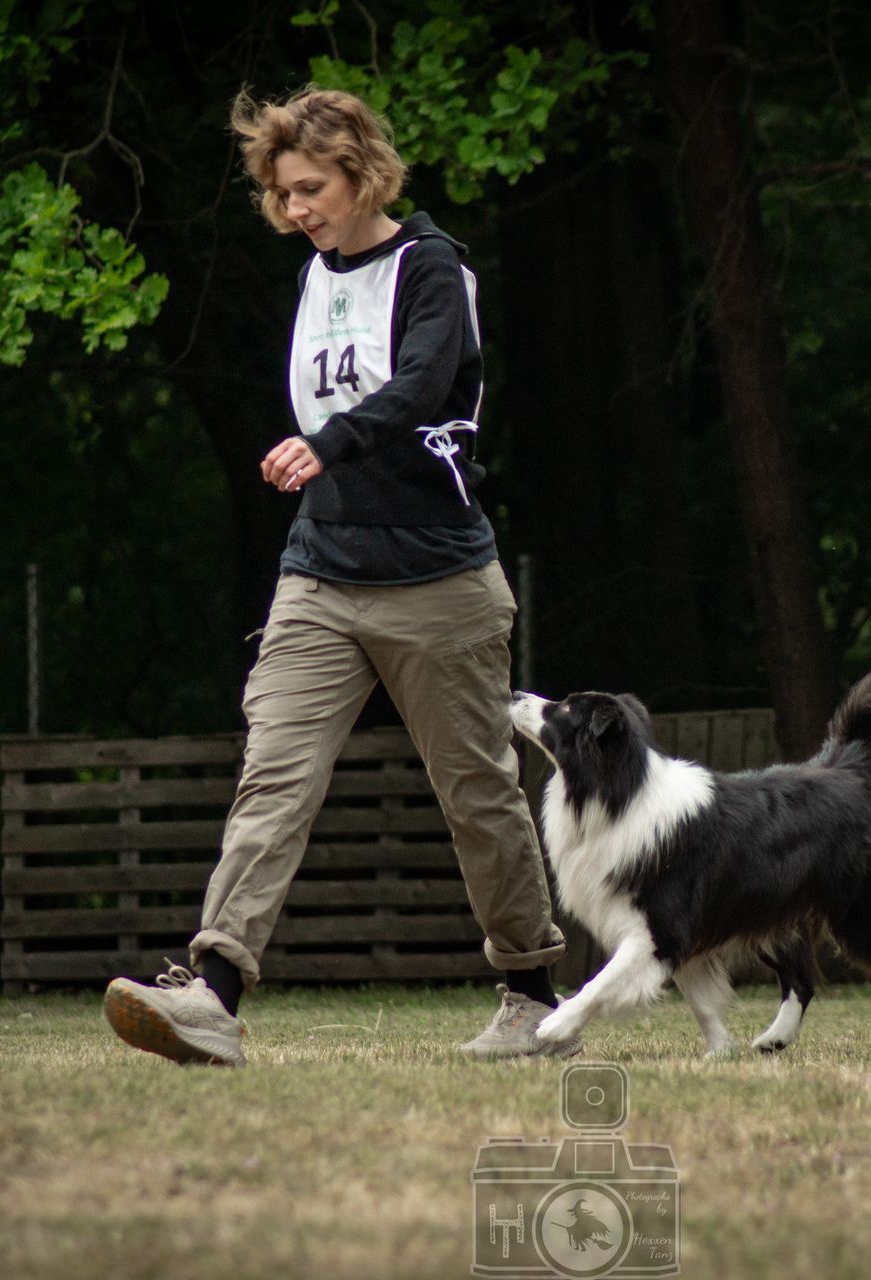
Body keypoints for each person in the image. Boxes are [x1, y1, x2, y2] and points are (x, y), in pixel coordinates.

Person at [101, 86, 572, 1067]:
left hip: (438, 575)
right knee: (272, 774)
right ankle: (214, 995)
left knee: (479, 795)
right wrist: (324, 461)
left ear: (363, 174)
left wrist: (329, 444)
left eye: (311, 187)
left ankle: (533, 995)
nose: (296, 207)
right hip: (320, 572)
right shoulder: (316, 273)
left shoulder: (432, 267)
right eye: (284, 192)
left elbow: (422, 384)